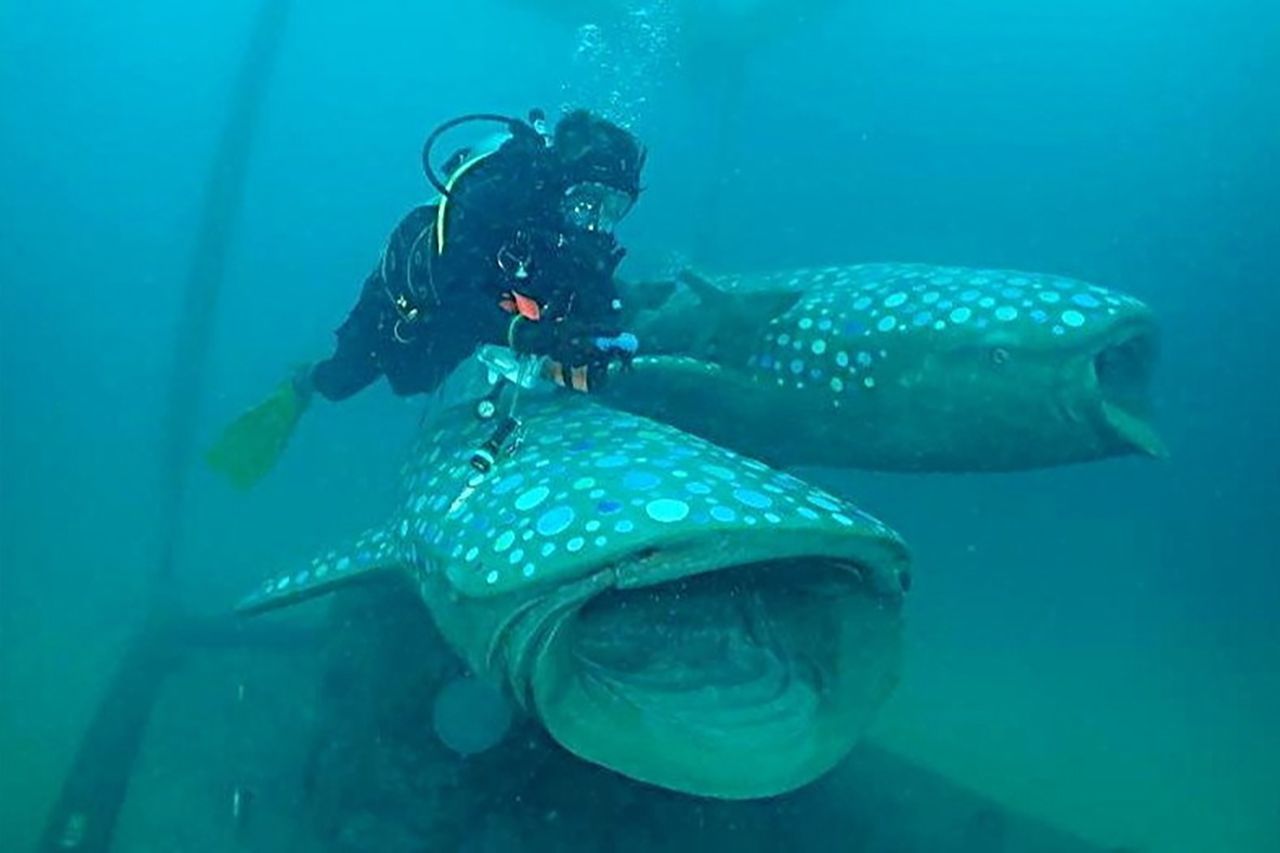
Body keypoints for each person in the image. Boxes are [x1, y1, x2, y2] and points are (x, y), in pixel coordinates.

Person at [206, 109, 645, 488]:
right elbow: (453, 289)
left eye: (614, 207)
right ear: (565, 180)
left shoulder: (578, 238)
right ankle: (303, 383)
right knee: (345, 381)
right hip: (408, 302)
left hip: (481, 321)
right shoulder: (498, 194)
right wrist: (525, 333)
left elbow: (594, 301)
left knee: (418, 381)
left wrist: (597, 342)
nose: (597, 220)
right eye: (588, 200)